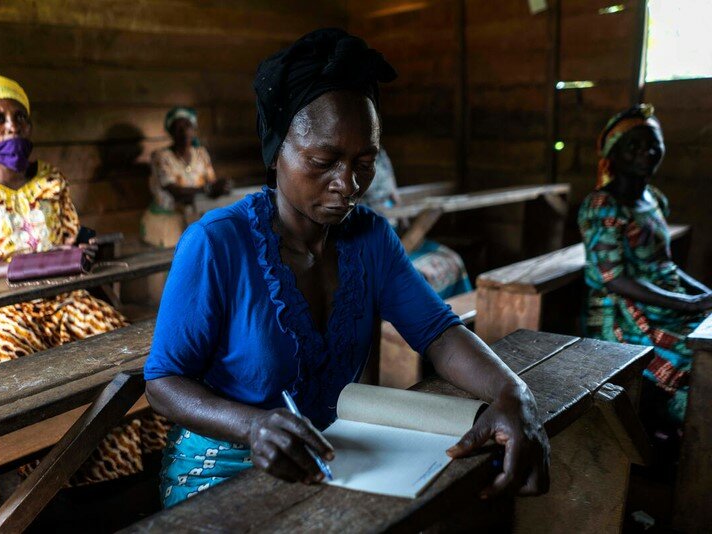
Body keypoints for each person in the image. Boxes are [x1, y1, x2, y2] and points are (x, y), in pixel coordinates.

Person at [144, 29, 549, 509]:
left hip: (330, 457)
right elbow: (164, 382)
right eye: (323, 160)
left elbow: (437, 333)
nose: (349, 184)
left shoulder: (370, 238)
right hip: (220, 468)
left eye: (365, 162)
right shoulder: (216, 244)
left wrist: (513, 391)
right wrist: (252, 425)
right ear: (276, 153)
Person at [0, 73, 167, 484]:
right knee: (20, 369)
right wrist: (40, 264)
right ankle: (45, 478)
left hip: (62, 297)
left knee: (113, 339)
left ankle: (119, 467)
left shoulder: (50, 179)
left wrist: (79, 256)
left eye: (20, 118)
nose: (12, 127)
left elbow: (69, 244)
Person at [578, 104, 711, 429]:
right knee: (697, 356)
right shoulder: (603, 205)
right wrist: (687, 302)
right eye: (633, 146)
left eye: (653, 143)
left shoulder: (653, 198)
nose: (646, 152)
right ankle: (684, 433)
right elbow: (615, 280)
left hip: (664, 299)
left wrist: (703, 294)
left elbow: (663, 263)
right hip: (623, 313)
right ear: (613, 154)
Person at [361, 147, 472, 299]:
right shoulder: (351, 161)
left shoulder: (380, 155)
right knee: (410, 278)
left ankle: (452, 316)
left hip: (394, 231)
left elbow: (393, 194)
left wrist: (406, 225)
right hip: (371, 238)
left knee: (452, 260)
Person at [141, 106, 231, 248]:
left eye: (187, 126)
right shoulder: (162, 157)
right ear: (171, 132)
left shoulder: (201, 154)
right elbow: (175, 191)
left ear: (194, 129)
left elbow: (212, 183)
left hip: (194, 219)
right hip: (166, 226)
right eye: (178, 128)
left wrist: (221, 187)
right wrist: (208, 189)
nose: (184, 132)